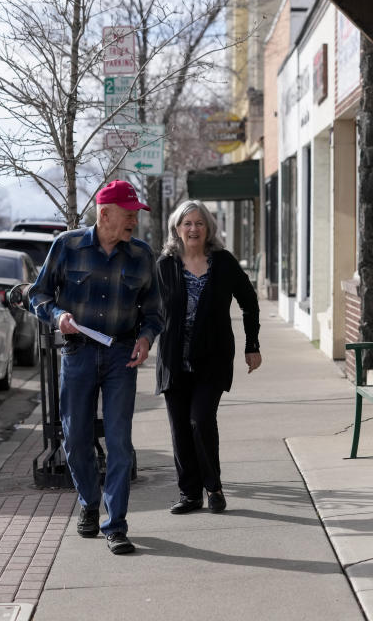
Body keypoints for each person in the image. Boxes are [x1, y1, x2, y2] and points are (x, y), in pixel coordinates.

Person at [29, 180, 162, 555]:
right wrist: (57, 316)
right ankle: (88, 501)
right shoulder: (67, 247)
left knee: (120, 442)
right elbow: (37, 294)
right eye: (129, 213)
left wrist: (146, 338)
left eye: (136, 214)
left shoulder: (141, 255)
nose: (134, 220)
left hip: (123, 355)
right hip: (78, 354)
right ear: (105, 214)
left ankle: (115, 524)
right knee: (75, 438)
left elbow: (155, 312)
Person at [156, 199, 261, 516]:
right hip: (174, 359)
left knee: (200, 420)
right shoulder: (165, 265)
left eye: (199, 223)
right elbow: (146, 308)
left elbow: (249, 302)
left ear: (209, 228)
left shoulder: (224, 263)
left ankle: (213, 488)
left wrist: (251, 345)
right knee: (179, 428)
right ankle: (190, 494)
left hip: (212, 357)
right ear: (177, 228)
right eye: (187, 223)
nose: (193, 229)